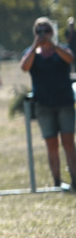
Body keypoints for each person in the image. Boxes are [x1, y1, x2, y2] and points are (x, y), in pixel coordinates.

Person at [20, 17, 76, 190]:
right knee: (51, 145)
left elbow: (70, 59)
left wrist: (53, 45)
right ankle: (57, 182)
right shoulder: (32, 53)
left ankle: (75, 180)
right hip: (44, 105)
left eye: (46, 30)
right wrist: (35, 46)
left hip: (64, 102)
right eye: (39, 31)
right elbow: (24, 67)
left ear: (52, 32)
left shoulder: (61, 50)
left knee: (68, 143)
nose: (43, 34)